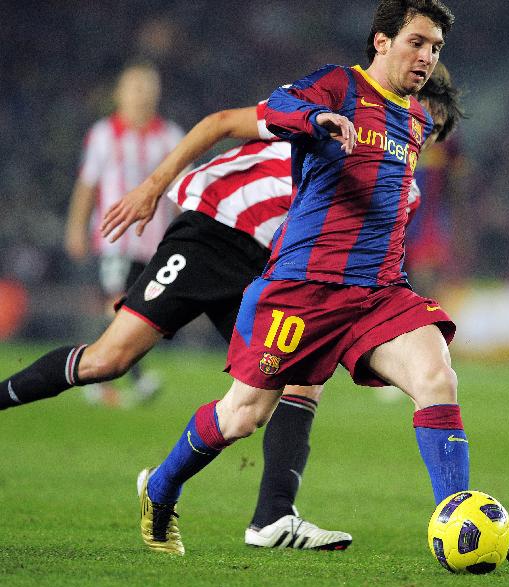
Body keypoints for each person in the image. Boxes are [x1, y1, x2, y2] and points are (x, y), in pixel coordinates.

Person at [0, 58, 456, 552]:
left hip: (272, 269)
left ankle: (273, 518)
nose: (417, 136)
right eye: (419, 117)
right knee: (109, 359)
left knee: (298, 379)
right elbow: (219, 124)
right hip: (214, 231)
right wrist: (153, 188)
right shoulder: (334, 111)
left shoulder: (401, 186)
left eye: (429, 134)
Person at [135, 0, 509, 560]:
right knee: (241, 416)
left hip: (378, 293)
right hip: (304, 288)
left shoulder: (417, 120)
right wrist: (314, 120)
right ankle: (161, 488)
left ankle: (462, 521)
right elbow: (280, 104)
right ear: (381, 41)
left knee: (437, 378)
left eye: (436, 48)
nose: (427, 56)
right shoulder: (337, 87)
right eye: (417, 42)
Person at [64, 61, 184, 406]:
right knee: (119, 305)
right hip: (115, 237)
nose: (143, 93)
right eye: (136, 86)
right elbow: (87, 186)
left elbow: (180, 192)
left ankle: (98, 372)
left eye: (149, 86)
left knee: (137, 309)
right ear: (120, 92)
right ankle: (114, 376)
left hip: (156, 242)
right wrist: (75, 227)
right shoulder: (103, 134)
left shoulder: (171, 136)